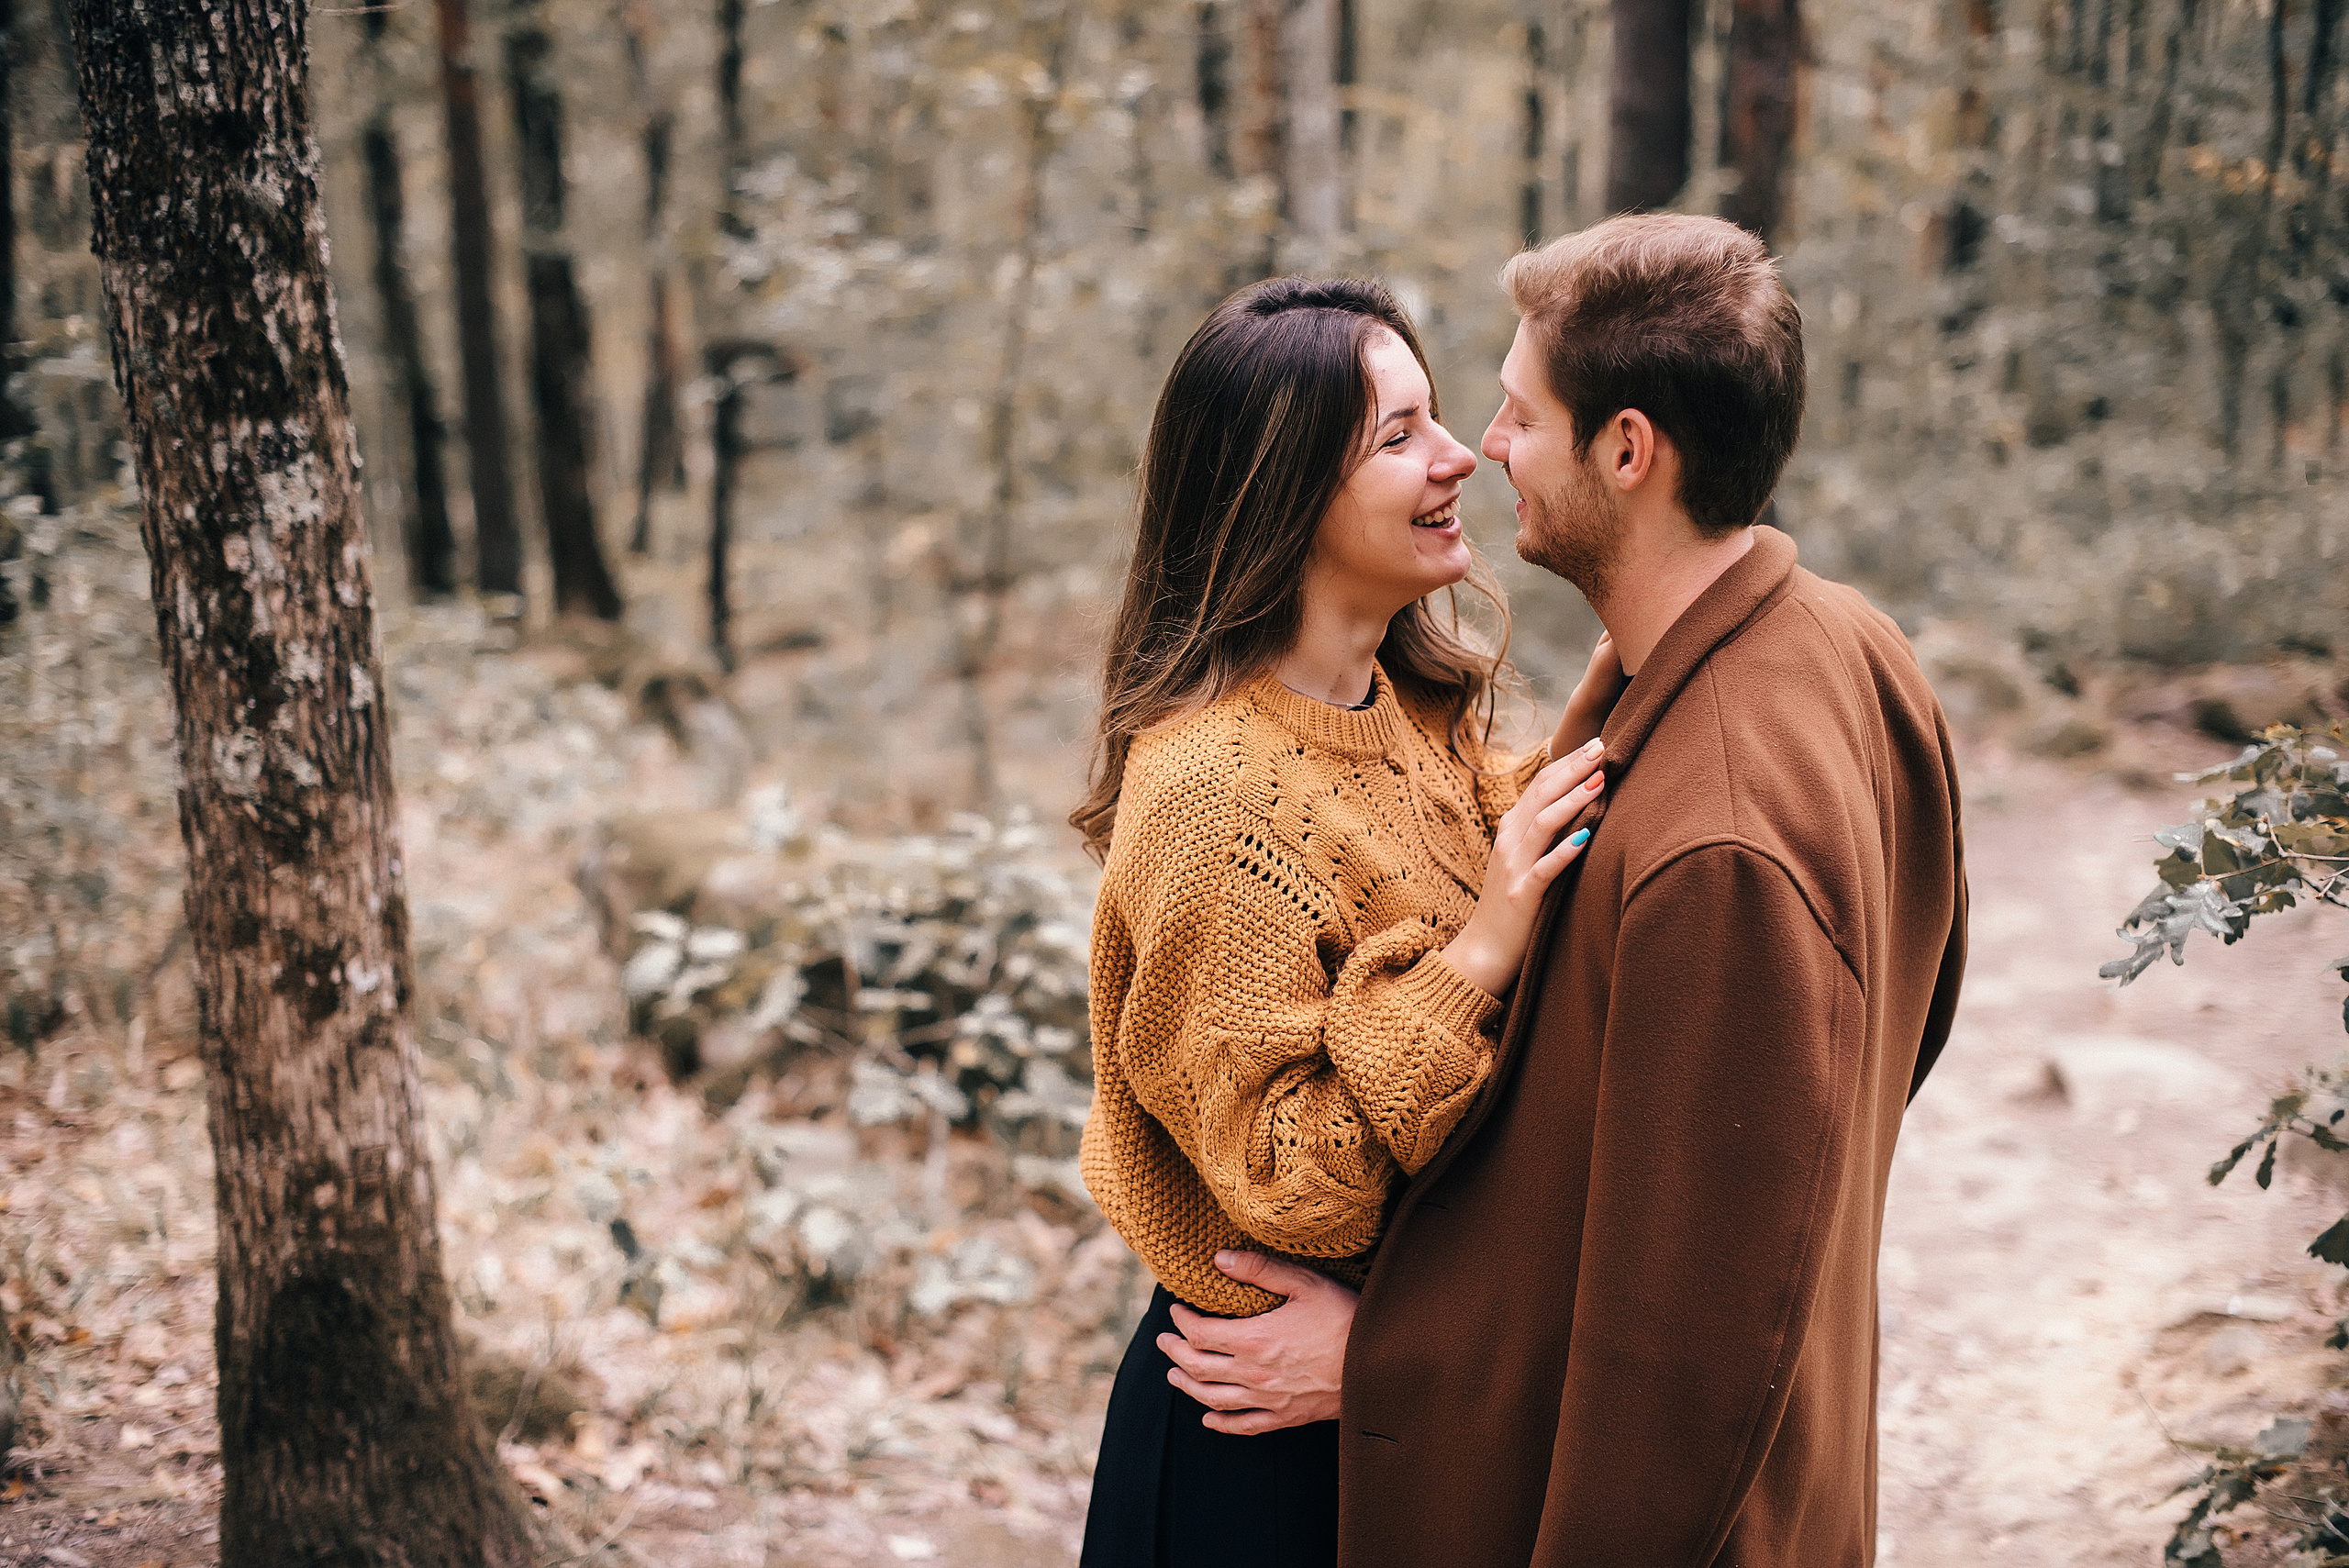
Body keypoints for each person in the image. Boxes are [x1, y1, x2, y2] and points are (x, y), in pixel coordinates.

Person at [1159, 214, 1970, 1567]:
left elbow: (1689, 1353)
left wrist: (1401, 1357)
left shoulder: (1715, 841)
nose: (1486, 449)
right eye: (1418, 426)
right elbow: (1881, 1047)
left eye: (1517, 413)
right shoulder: (1847, 645)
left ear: (1629, 450)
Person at [1068, 275, 1624, 1568]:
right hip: (1254, 1445)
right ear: (1282, 494)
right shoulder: (1214, 789)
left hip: (1392, 1405)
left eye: (1438, 419)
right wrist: (1478, 951)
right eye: (1399, 436)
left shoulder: (1426, 714)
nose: (1458, 460)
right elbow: (1289, 1182)